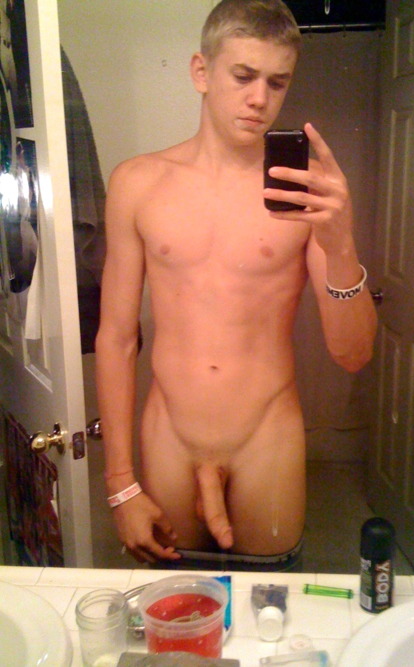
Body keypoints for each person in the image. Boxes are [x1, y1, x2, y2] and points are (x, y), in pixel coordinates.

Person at [95, 0, 377, 565]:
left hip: (265, 437)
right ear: (202, 71)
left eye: (277, 82)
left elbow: (353, 353)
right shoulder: (137, 183)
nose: (259, 99)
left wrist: (341, 244)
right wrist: (120, 483)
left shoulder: (305, 192)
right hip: (169, 434)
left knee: (269, 602)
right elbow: (117, 338)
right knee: (174, 604)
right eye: (243, 76)